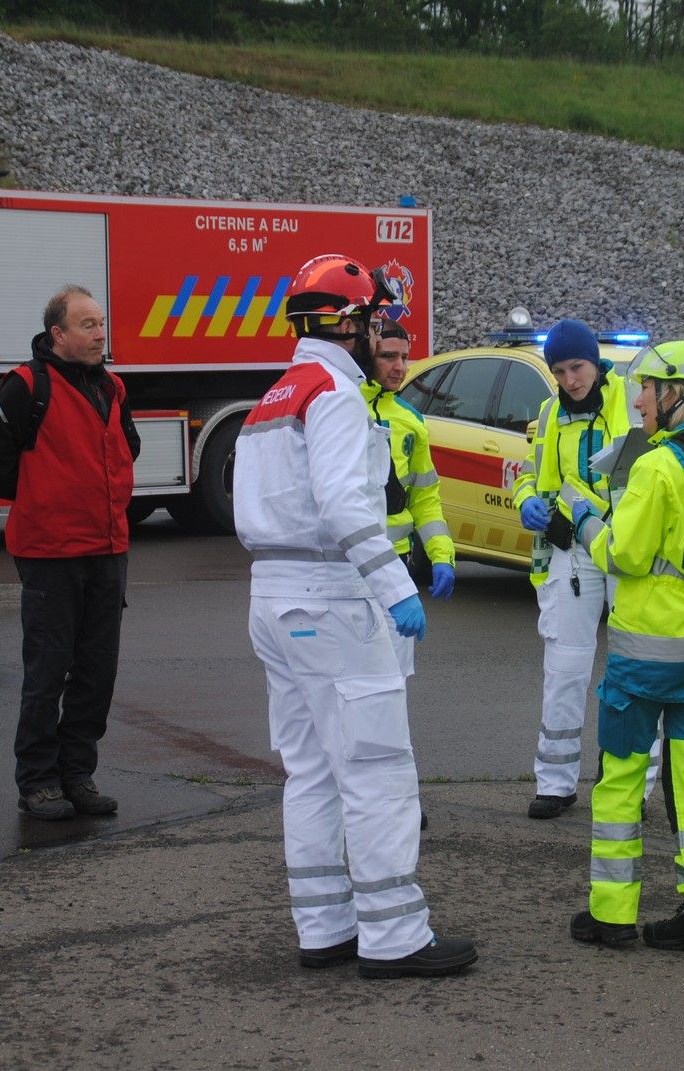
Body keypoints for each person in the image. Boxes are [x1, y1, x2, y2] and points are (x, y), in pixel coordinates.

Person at [233, 252, 476, 979]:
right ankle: (395, 934)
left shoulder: (274, 396)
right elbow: (344, 504)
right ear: (349, 324)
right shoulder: (335, 394)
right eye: (377, 320)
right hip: (334, 599)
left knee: (309, 771)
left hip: (275, 598)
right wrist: (393, 584)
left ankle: (325, 925)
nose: (385, 333)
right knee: (375, 769)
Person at [566, 342, 684, 957]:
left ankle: (612, 914)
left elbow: (625, 555)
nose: (639, 398)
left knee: (618, 782)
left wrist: (585, 519)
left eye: (648, 387)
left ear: (680, 395)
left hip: (645, 659)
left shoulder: (658, 467)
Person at [0, 285, 140, 821]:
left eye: (101, 324)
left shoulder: (112, 387)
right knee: (48, 672)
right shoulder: (26, 386)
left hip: (107, 549)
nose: (100, 334)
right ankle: (39, 781)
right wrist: (42, 504)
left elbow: (127, 449)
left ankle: (78, 775)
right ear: (58, 335)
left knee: (97, 672)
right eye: (88, 325)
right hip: (50, 552)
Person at [512, 319, 660, 820]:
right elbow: (532, 472)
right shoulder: (551, 411)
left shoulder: (633, 401)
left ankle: (633, 786)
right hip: (572, 550)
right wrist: (528, 501)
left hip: (623, 547)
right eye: (559, 370)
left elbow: (645, 477)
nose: (570, 379)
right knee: (565, 666)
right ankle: (555, 782)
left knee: (635, 664)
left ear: (595, 364)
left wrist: (589, 512)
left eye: (577, 367)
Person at [363, 319, 455, 830]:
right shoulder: (342, 407)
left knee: (394, 691)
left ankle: (400, 798)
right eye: (387, 357)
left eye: (404, 356)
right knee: (355, 691)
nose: (399, 367)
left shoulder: (411, 422)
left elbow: (425, 496)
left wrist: (441, 553)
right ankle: (364, 797)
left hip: (395, 572)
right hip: (350, 575)